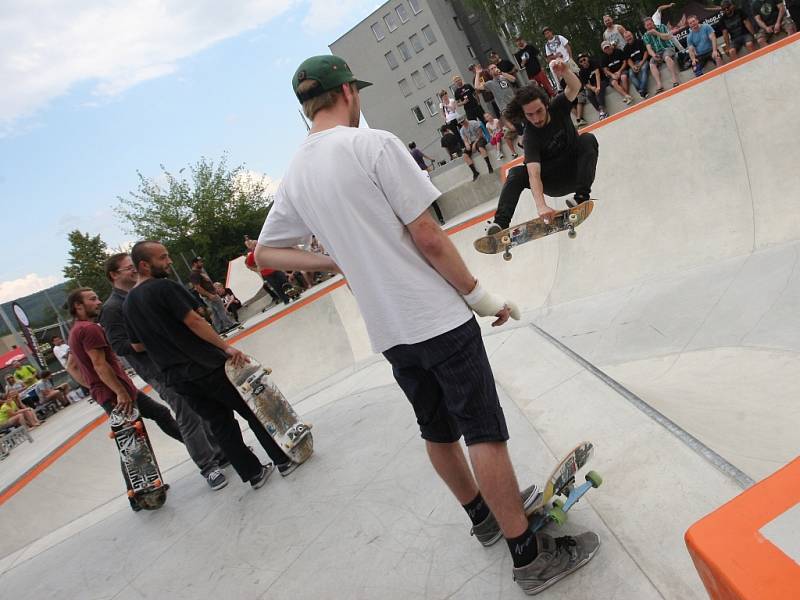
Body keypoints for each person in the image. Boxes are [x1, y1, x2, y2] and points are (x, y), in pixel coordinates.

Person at [256, 53, 599, 596]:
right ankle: (528, 554)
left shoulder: (296, 172)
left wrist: (337, 261)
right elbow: (429, 235)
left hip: (389, 332)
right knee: (485, 430)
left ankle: (484, 518)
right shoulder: (373, 145)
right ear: (347, 92)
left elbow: (267, 254)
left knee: (437, 430)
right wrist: (480, 295)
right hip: (435, 318)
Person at [122, 241, 296, 488]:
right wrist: (226, 347)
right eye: (163, 258)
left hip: (177, 378)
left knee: (220, 425)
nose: (169, 261)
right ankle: (283, 461)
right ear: (144, 265)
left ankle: (254, 474)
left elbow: (137, 346)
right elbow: (194, 320)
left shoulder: (128, 305)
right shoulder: (164, 287)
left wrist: (160, 337)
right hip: (205, 365)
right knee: (251, 410)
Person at [101, 252, 229, 491]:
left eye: (133, 267)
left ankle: (221, 452)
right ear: (114, 275)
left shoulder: (138, 294)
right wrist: (148, 339)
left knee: (201, 407)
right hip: (156, 368)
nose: (134, 271)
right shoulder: (112, 308)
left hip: (176, 360)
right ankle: (208, 467)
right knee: (187, 414)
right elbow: (119, 346)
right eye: (128, 268)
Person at [65, 287, 186, 511]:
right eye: (92, 299)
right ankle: (139, 494)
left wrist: (94, 386)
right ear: (78, 306)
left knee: (138, 433)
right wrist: (117, 392)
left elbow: (71, 366)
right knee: (130, 443)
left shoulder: (75, 331)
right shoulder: (90, 329)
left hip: (116, 393)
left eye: (97, 296)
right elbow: (100, 364)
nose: (98, 301)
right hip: (119, 395)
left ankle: (139, 492)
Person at [489, 60, 600, 234]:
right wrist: (541, 206)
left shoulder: (558, 106)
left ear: (546, 105)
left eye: (539, 111)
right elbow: (533, 174)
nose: (536, 119)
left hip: (576, 172)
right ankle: (500, 224)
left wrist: (565, 71)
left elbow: (575, 86)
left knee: (587, 138)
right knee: (516, 172)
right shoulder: (530, 137)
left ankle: (581, 198)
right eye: (530, 115)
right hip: (552, 182)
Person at [188, 257, 238, 333]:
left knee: (215, 312)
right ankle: (230, 324)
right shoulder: (194, 274)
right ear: (195, 263)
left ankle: (220, 328)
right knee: (221, 309)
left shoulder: (199, 272)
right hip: (210, 295)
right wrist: (209, 295)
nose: (202, 263)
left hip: (211, 294)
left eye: (202, 262)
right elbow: (198, 287)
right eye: (200, 262)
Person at [244, 239, 292, 306]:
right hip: (266, 273)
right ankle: (285, 299)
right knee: (277, 287)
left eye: (256, 244)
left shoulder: (265, 249)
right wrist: (257, 269)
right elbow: (248, 265)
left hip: (275, 268)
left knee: (284, 280)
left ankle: (293, 293)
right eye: (254, 245)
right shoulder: (252, 255)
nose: (255, 246)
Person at [643, 16, 681, 91]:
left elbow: (667, 37)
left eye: (650, 24)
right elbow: (649, 48)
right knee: (651, 63)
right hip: (657, 52)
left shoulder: (662, 27)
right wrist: (653, 55)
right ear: (645, 27)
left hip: (668, 48)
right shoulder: (645, 35)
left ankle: (674, 79)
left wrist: (656, 33)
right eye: (647, 25)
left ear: (653, 23)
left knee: (666, 57)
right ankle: (659, 85)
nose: (649, 26)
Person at [576, 53, 609, 125]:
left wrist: (598, 87)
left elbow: (598, 75)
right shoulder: (581, 72)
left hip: (602, 81)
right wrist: (592, 88)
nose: (583, 62)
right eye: (581, 61)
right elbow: (585, 83)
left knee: (598, 92)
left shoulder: (594, 63)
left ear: (587, 58)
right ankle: (600, 111)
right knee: (589, 94)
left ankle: (603, 110)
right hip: (592, 85)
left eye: (584, 59)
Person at [459, 116, 494, 181]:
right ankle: (475, 172)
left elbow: (480, 134)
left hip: (480, 139)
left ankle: (489, 165)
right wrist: (467, 145)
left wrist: (474, 144)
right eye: (461, 123)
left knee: (480, 148)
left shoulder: (474, 123)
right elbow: (465, 140)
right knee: (464, 155)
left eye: (463, 121)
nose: (463, 123)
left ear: (465, 119)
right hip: (471, 142)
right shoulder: (462, 130)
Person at [623, 30, 651, 99]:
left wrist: (641, 63)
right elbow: (628, 59)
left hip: (643, 60)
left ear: (632, 35)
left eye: (629, 36)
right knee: (631, 74)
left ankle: (641, 90)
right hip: (634, 64)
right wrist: (633, 66)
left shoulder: (640, 41)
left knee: (644, 69)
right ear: (625, 39)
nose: (628, 38)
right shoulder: (625, 48)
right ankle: (643, 92)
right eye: (626, 37)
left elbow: (646, 53)